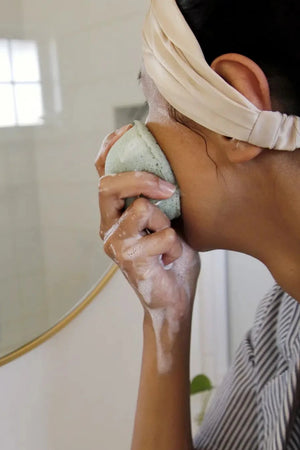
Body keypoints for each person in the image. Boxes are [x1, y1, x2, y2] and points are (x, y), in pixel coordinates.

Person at [95, 0, 300, 448]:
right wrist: (166, 316)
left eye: (153, 107)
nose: (135, 138)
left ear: (238, 105)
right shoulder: (281, 324)